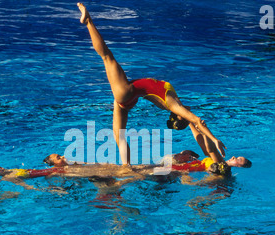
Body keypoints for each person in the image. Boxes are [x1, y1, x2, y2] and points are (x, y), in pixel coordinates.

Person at [77, 3, 226, 165]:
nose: (187, 112)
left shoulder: (173, 104)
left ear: (178, 115)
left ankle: (88, 22)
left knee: (107, 56)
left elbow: (197, 121)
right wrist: (194, 124)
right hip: (128, 100)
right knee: (118, 135)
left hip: (126, 92)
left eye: (184, 115)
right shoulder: (173, 105)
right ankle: (126, 166)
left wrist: (214, 138)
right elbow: (193, 122)